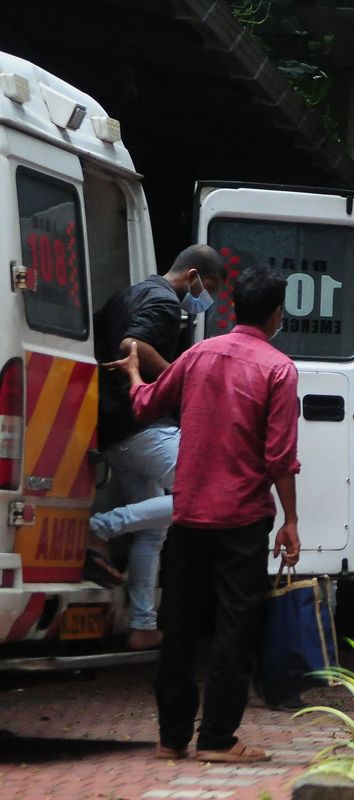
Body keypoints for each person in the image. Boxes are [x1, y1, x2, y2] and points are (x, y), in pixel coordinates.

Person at [106, 264, 301, 763]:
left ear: (234, 307)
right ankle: (217, 738)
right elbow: (279, 457)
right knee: (235, 626)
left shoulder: (198, 354)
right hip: (243, 519)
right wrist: (291, 521)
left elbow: (147, 405)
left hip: (189, 515)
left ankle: (171, 737)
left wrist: (132, 373)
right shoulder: (278, 369)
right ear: (277, 314)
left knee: (180, 624)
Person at [89, 244, 227, 650]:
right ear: (192, 276)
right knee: (204, 490)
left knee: (153, 528)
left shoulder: (128, 294)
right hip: (142, 424)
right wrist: (180, 380)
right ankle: (100, 529)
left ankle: (142, 625)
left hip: (113, 424)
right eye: (210, 287)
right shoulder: (166, 303)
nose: (209, 297)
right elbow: (133, 346)